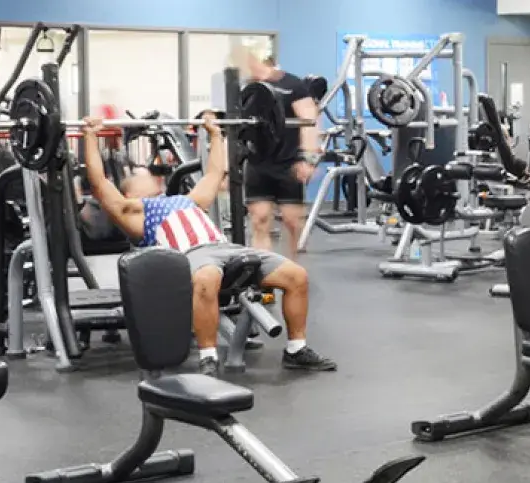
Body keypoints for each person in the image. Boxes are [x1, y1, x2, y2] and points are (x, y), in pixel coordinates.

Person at [79, 114, 337, 376]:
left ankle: (296, 349)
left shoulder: (188, 200)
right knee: (207, 277)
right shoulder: (132, 213)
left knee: (296, 275)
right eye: (138, 174)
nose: (149, 175)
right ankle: (208, 358)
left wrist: (215, 134)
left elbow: (215, 173)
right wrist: (90, 137)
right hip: (189, 256)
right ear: (130, 192)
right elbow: (100, 184)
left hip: (226, 248)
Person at [233, 44, 322, 259]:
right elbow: (238, 127)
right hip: (258, 163)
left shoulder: (292, 85)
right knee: (259, 220)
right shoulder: (248, 89)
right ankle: (264, 277)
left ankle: (291, 271)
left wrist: (308, 159)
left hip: (289, 163)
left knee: (292, 222)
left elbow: (310, 120)